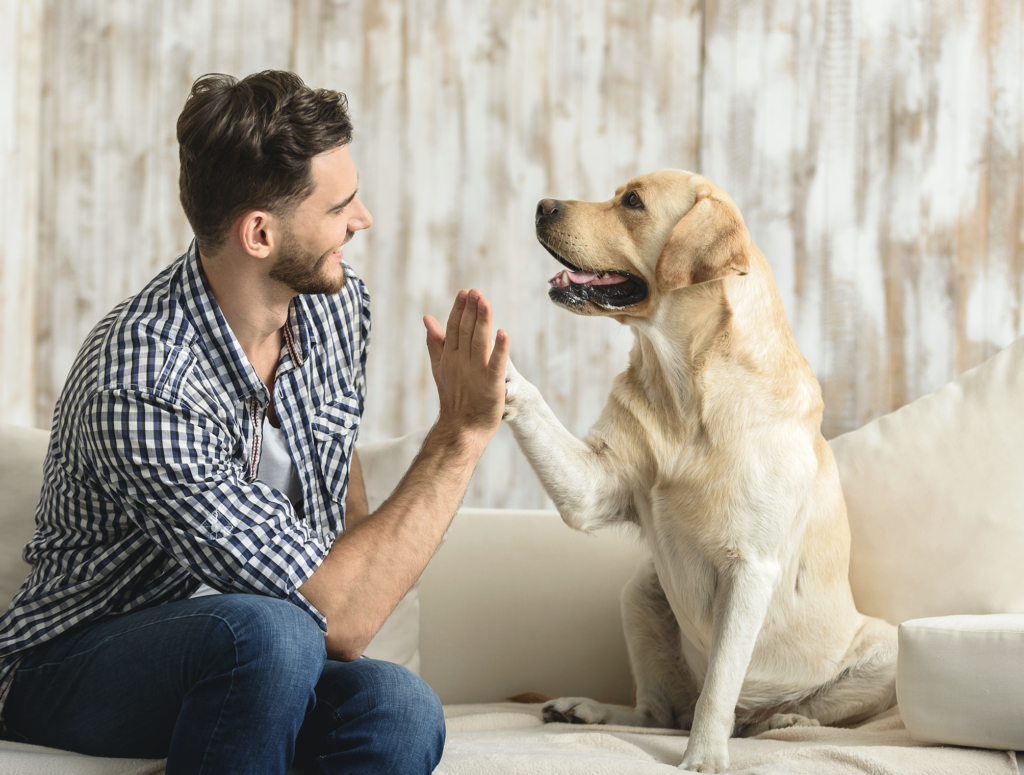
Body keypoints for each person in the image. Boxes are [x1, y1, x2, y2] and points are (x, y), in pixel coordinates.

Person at [0, 70, 509, 774]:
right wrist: (461, 434)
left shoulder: (334, 306)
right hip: (72, 663)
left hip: (260, 656)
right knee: (271, 632)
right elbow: (341, 612)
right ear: (261, 233)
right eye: (341, 206)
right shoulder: (144, 377)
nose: (363, 221)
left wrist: (346, 588)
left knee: (399, 706)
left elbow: (342, 530)